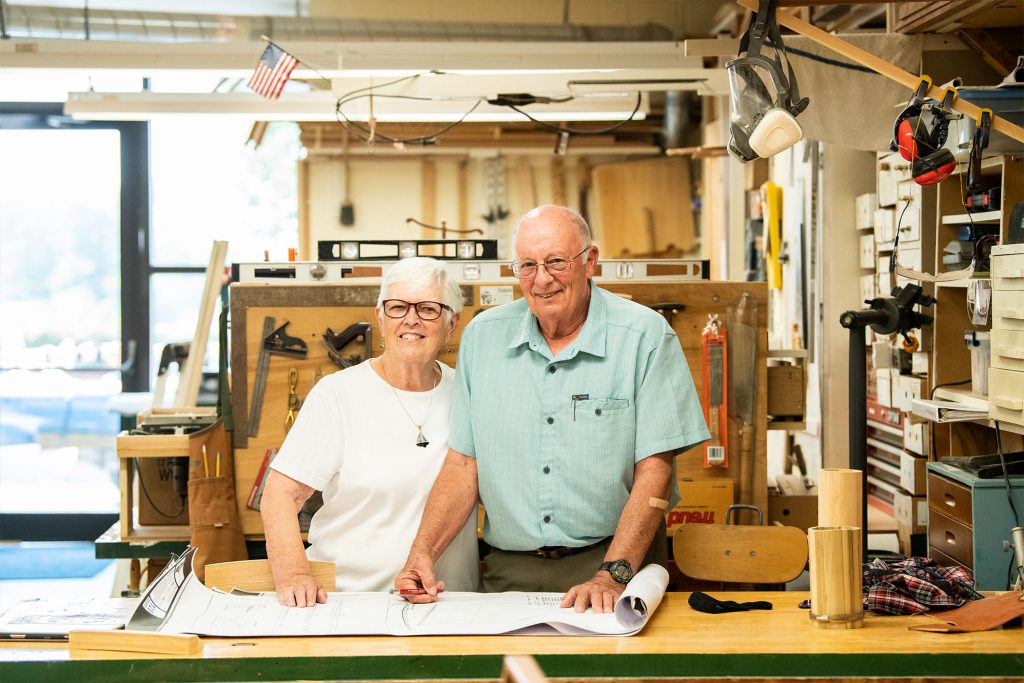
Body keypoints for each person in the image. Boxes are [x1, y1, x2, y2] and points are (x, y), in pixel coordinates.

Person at [396, 205, 709, 613]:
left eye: (556, 262)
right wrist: (423, 551)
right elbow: (463, 465)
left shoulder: (644, 336)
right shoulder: (483, 339)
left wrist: (611, 575)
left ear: (590, 261)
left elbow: (656, 471)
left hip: (615, 566)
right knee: (514, 675)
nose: (542, 279)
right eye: (528, 265)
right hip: (509, 570)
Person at [262, 257, 479, 607]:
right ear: (379, 317)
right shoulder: (337, 395)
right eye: (397, 307)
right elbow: (279, 495)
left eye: (428, 308)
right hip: (349, 601)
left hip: (447, 602)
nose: (411, 319)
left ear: (452, 323)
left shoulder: (469, 394)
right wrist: (294, 574)